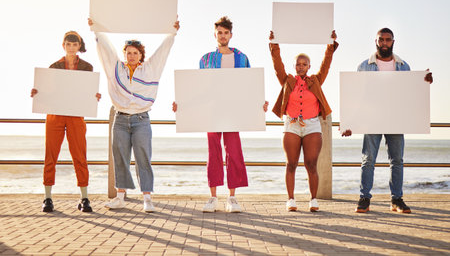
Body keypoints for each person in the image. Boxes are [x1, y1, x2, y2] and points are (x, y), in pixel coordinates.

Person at [173, 16, 268, 213]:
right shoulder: (205, 59)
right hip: (211, 113)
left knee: (234, 153)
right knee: (213, 153)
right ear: (214, 35)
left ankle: (232, 198)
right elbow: (198, 89)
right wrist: (183, 105)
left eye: (226, 33)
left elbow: (250, 87)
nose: (223, 36)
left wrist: (259, 104)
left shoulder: (242, 58)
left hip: (234, 113)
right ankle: (213, 197)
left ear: (231, 35)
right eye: (219, 33)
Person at [88, 18, 179, 212]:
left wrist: (171, 34)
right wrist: (96, 30)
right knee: (119, 157)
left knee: (143, 158)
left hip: (141, 120)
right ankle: (120, 197)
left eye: (135, 53)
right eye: (128, 53)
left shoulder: (150, 69)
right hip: (120, 119)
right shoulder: (116, 69)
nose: (131, 56)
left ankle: (147, 199)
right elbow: (107, 50)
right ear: (125, 55)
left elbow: (162, 53)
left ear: (140, 55)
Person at [348, 27, 433, 214]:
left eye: (388, 39)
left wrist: (424, 82)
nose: (384, 43)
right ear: (376, 42)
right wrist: (351, 123)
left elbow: (410, 93)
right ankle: (364, 199)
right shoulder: (364, 66)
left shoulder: (404, 66)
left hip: (396, 119)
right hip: (372, 119)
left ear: (393, 41)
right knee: (368, 159)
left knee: (397, 160)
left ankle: (396, 200)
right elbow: (357, 96)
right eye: (381, 39)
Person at [31, 31, 101, 213]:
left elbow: (86, 93)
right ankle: (47, 198)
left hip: (76, 115)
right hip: (55, 114)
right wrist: (37, 93)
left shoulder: (87, 67)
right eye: (68, 44)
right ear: (63, 46)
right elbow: (48, 92)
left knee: (79, 155)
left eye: (74, 44)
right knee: (50, 155)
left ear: (79, 46)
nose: (71, 47)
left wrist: (94, 96)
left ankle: (84, 198)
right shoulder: (53, 67)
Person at [268, 30, 338, 212]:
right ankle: (291, 199)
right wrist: (274, 45)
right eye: (298, 64)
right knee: (291, 164)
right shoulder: (287, 81)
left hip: (312, 125)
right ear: (294, 66)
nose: (301, 66)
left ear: (308, 66)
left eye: (304, 64)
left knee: (311, 163)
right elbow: (277, 66)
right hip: (291, 124)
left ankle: (313, 199)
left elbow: (326, 67)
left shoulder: (316, 80)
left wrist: (330, 46)